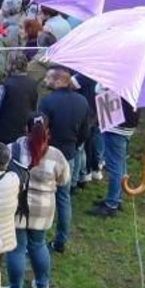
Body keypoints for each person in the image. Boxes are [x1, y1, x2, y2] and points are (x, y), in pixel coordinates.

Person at [7, 115, 69, 288]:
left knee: (17, 248)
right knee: (38, 244)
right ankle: (42, 285)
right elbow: (64, 180)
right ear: (47, 132)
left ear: (26, 129)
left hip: (18, 205)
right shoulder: (57, 155)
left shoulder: (12, 149)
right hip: (43, 209)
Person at [38, 67, 91, 254]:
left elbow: (40, 131)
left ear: (59, 81)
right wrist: (76, 145)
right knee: (63, 197)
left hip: (47, 155)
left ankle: (38, 238)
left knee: (41, 196)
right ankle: (61, 239)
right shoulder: (82, 101)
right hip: (69, 154)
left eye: (48, 78)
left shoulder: (47, 102)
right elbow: (85, 131)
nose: (45, 80)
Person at [89, 90, 137, 217]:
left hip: (116, 121)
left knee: (115, 165)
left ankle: (111, 204)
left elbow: (101, 89)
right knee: (120, 163)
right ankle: (116, 197)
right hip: (125, 121)